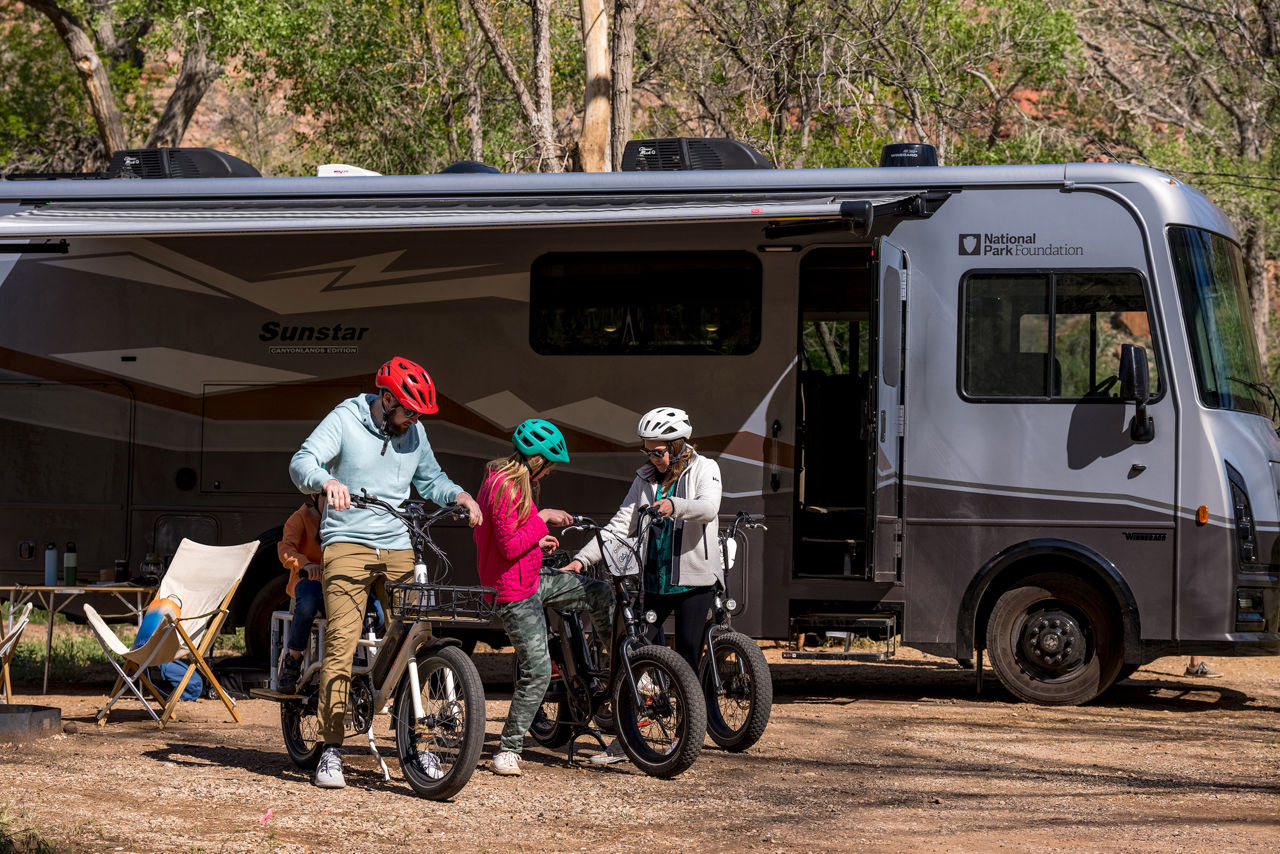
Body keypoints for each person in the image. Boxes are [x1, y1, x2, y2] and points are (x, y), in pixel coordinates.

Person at [288, 356, 483, 789]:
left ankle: (420, 745)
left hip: (397, 543)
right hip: (348, 543)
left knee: (419, 631)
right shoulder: (346, 418)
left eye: (419, 414)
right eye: (408, 410)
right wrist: (325, 482)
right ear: (387, 397)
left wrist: (461, 496)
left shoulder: (415, 430)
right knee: (342, 641)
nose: (413, 419)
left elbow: (432, 480)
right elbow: (302, 461)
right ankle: (331, 749)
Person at [562, 406, 722, 765]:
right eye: (647, 450)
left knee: (687, 660)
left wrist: (673, 505)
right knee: (634, 656)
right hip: (654, 581)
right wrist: (582, 560)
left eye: (658, 450)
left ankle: (685, 738)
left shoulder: (705, 469)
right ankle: (627, 737)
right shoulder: (645, 479)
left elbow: (708, 509)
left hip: (694, 581)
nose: (652, 457)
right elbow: (620, 525)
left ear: (679, 446)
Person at [475, 418, 614, 777]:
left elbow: (516, 536)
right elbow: (506, 546)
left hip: (533, 576)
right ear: (537, 461)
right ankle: (507, 750)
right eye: (549, 465)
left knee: (599, 593)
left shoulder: (520, 483)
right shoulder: (504, 485)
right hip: (513, 591)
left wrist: (537, 540)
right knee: (537, 671)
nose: (550, 472)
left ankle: (615, 665)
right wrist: (543, 519)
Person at [275, 494, 325, 693]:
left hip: (337, 581)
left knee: (375, 611)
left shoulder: (346, 517)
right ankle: (293, 661)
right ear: (315, 496)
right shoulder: (301, 517)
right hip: (309, 578)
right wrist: (305, 564)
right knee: (307, 604)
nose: (332, 503)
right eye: (327, 497)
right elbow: (285, 549)